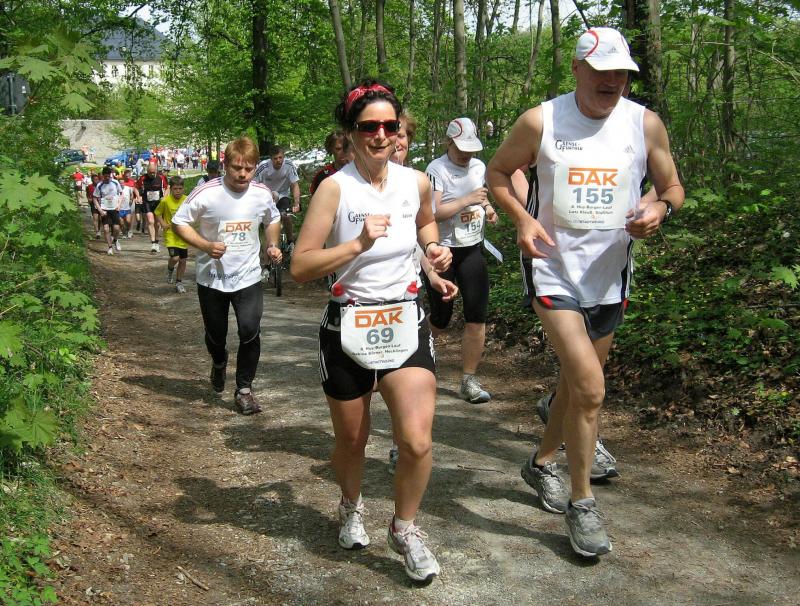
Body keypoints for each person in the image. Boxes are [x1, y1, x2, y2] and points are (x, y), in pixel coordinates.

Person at [486, 27, 685, 557]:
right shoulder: (541, 121)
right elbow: (498, 173)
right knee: (591, 388)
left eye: (621, 72)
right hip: (552, 267)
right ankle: (582, 503)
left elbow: (672, 187)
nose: (612, 81)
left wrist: (658, 209)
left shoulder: (644, 123)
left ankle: (540, 463)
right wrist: (521, 220)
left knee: (576, 386)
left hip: (610, 274)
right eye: (601, 71)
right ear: (577, 69)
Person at [291, 80, 452, 583]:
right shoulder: (334, 188)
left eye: (389, 125)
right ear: (350, 133)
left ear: (399, 129)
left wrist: (434, 253)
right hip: (348, 324)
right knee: (353, 441)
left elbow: (426, 225)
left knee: (417, 441)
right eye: (368, 127)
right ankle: (350, 504)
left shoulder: (416, 182)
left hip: (404, 319)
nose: (380, 135)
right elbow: (301, 266)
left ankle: (404, 528)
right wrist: (357, 244)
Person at [172, 136, 282, 415]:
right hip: (211, 278)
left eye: (249, 168)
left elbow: (272, 219)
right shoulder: (206, 193)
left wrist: (272, 244)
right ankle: (219, 362)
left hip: (248, 277)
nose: (243, 174)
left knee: (250, 331)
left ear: (255, 167)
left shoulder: (261, 193)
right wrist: (205, 245)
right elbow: (179, 223)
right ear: (225, 165)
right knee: (216, 336)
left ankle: (244, 389)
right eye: (237, 168)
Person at [387, 111, 459, 473]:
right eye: (391, 134)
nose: (397, 141)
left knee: (407, 378)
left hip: (407, 297)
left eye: (403, 135)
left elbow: (419, 239)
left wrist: (433, 273)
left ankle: (401, 442)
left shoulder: (416, 184)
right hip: (363, 302)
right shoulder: (355, 184)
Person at [424, 117, 498, 404]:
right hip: (442, 252)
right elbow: (432, 214)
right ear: (449, 142)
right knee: (441, 318)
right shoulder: (436, 169)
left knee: (477, 315)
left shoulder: (479, 166)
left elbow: (481, 197)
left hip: (472, 249)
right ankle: (415, 359)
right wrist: (467, 199)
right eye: (461, 148)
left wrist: (488, 208)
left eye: (471, 148)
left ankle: (469, 380)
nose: (466, 154)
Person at [253, 145, 301, 245]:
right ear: (271, 159)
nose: (278, 161)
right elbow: (253, 185)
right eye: (275, 158)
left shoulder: (289, 165)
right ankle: (266, 243)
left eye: (280, 157)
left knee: (286, 215)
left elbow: (294, 185)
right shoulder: (263, 166)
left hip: (283, 195)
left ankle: (290, 241)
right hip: (266, 196)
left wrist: (297, 203)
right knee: (265, 221)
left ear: (284, 156)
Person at [154, 176, 190, 293]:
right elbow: (157, 213)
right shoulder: (165, 201)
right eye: (175, 189)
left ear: (183, 188)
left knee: (183, 260)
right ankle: (170, 269)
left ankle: (179, 282)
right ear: (171, 189)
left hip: (183, 234)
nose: (178, 191)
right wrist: (163, 224)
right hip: (171, 234)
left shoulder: (187, 200)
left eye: (180, 188)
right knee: (175, 258)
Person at [136, 161, 168, 253]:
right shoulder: (143, 178)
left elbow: (167, 187)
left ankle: (157, 241)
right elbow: (135, 187)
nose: (152, 174)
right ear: (147, 171)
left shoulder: (161, 177)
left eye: (154, 172)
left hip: (158, 203)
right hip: (147, 202)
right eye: (150, 172)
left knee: (157, 224)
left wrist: (165, 197)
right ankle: (153, 243)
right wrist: (138, 196)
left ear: (156, 171)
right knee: (150, 221)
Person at [93, 166, 124, 255]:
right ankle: (110, 247)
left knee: (116, 228)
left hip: (114, 208)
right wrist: (100, 210)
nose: (107, 178)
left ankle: (115, 240)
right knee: (106, 229)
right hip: (105, 209)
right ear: (103, 176)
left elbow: (121, 194)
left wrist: (119, 205)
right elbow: (94, 198)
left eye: (108, 176)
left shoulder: (115, 182)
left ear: (111, 175)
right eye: (105, 176)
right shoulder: (100, 185)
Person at [119, 169, 140, 239]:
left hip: (131, 201)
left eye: (129, 176)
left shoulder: (132, 182)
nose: (127, 177)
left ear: (130, 175)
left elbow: (135, 190)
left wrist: (138, 197)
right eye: (126, 176)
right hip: (122, 202)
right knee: (123, 218)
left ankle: (130, 230)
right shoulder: (121, 182)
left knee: (131, 216)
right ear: (124, 175)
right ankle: (124, 230)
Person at [87, 173, 101, 239]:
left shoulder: (101, 186)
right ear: (92, 180)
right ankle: (97, 232)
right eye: (94, 179)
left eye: (97, 179)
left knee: (100, 218)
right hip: (93, 204)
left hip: (101, 204)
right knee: (95, 218)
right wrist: (89, 199)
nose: (96, 181)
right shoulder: (89, 187)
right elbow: (87, 194)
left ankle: (99, 229)